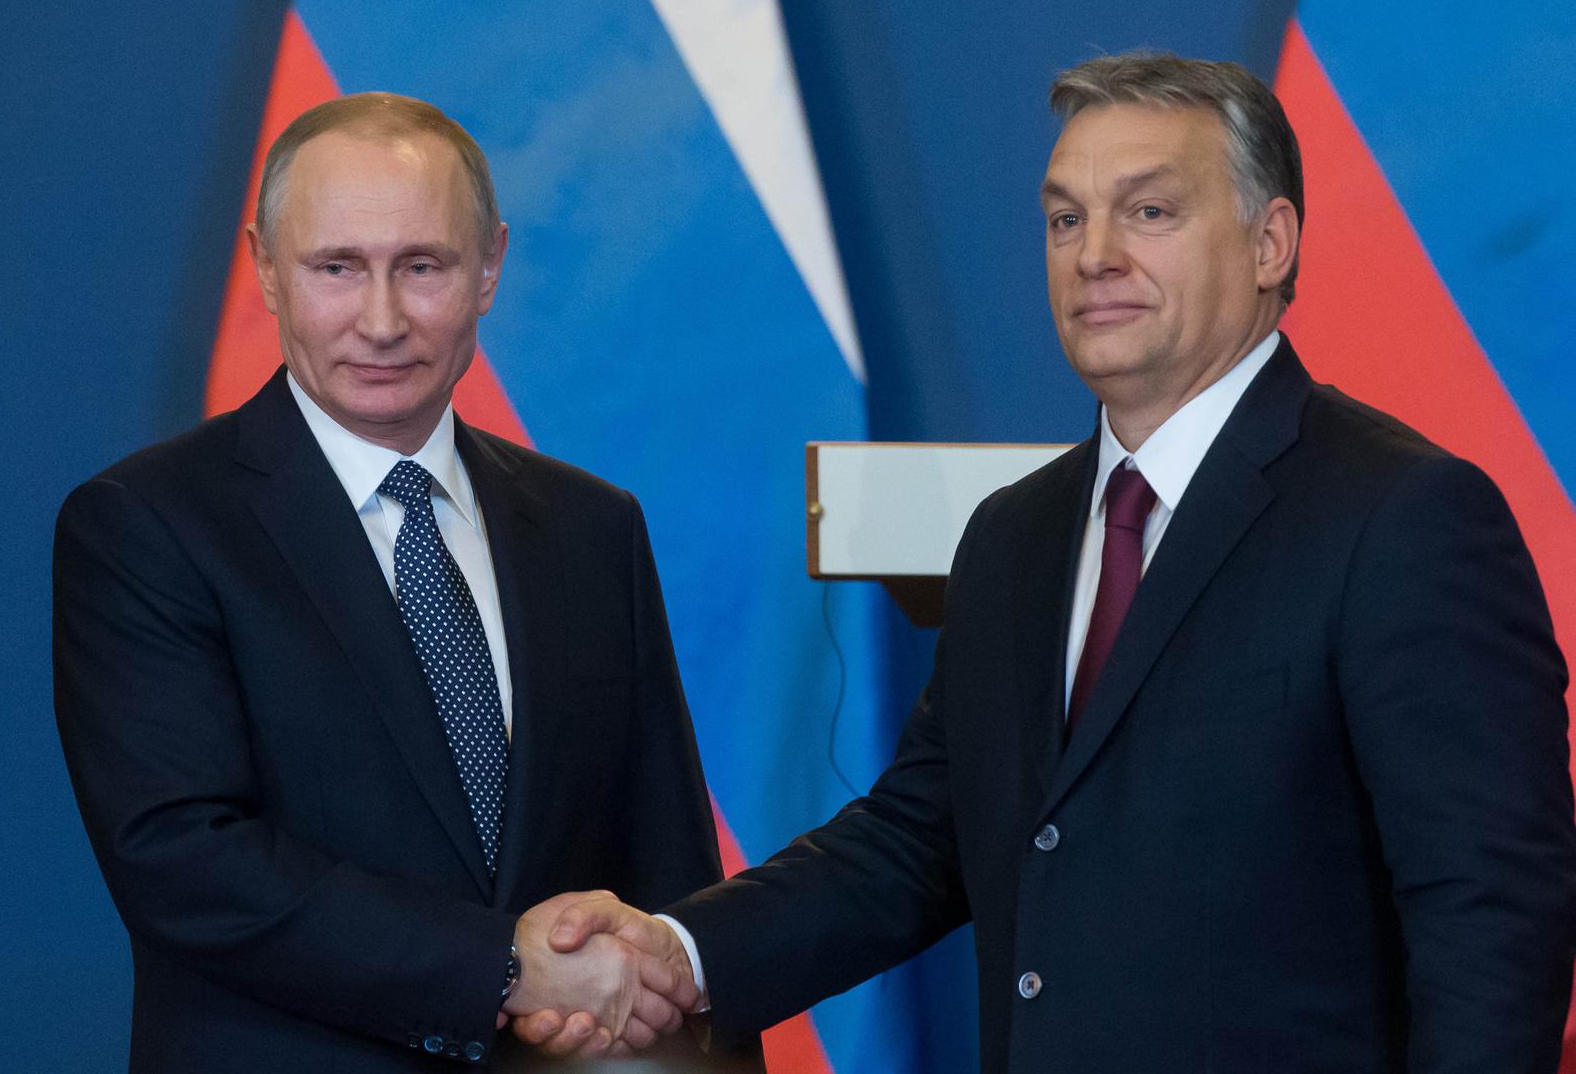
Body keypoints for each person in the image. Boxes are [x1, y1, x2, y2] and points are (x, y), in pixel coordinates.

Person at [513, 53, 1576, 1071]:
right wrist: (678, 953)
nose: (1094, 253)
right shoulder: (1015, 535)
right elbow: (917, 842)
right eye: (1066, 218)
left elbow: (1490, 914)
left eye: (1149, 211)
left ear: (1271, 242)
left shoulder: (1404, 515)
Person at [53, 93, 752, 1072]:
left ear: (490, 269)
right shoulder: (150, 524)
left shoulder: (594, 529)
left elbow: (671, 877)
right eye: (337, 268)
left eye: (422, 267)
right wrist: (499, 967)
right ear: (262, 265)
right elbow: (185, 862)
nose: (381, 319)